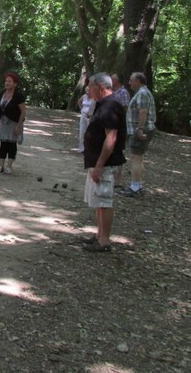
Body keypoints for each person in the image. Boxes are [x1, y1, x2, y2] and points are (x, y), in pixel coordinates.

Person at [82, 73, 127, 252]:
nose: (88, 89)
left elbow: (111, 138)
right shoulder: (102, 105)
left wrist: (100, 165)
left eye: (90, 86)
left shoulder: (110, 106)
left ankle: (105, 241)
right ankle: (99, 235)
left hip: (105, 163)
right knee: (98, 201)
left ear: (100, 86)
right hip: (96, 161)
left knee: (104, 200)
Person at [120, 72, 156, 198]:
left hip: (140, 130)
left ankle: (134, 187)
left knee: (135, 158)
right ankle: (138, 185)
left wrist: (139, 129)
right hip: (141, 129)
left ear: (138, 81)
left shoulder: (142, 93)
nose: (129, 83)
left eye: (131, 80)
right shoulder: (142, 93)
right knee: (138, 158)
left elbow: (143, 112)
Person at [0, 72, 26, 174]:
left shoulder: (19, 96)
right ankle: (0, 165)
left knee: (12, 144)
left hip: (14, 123)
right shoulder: (1, 94)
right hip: (3, 122)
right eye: (6, 81)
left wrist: (19, 125)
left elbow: (23, 111)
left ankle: (9, 166)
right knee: (3, 144)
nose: (7, 83)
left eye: (10, 81)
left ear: (15, 84)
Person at [77, 85, 94, 153]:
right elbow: (79, 102)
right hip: (83, 115)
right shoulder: (84, 96)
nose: (87, 93)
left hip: (90, 117)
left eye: (88, 91)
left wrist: (91, 113)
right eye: (86, 91)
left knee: (90, 132)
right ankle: (81, 149)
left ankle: (89, 148)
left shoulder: (94, 97)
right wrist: (81, 109)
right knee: (82, 132)